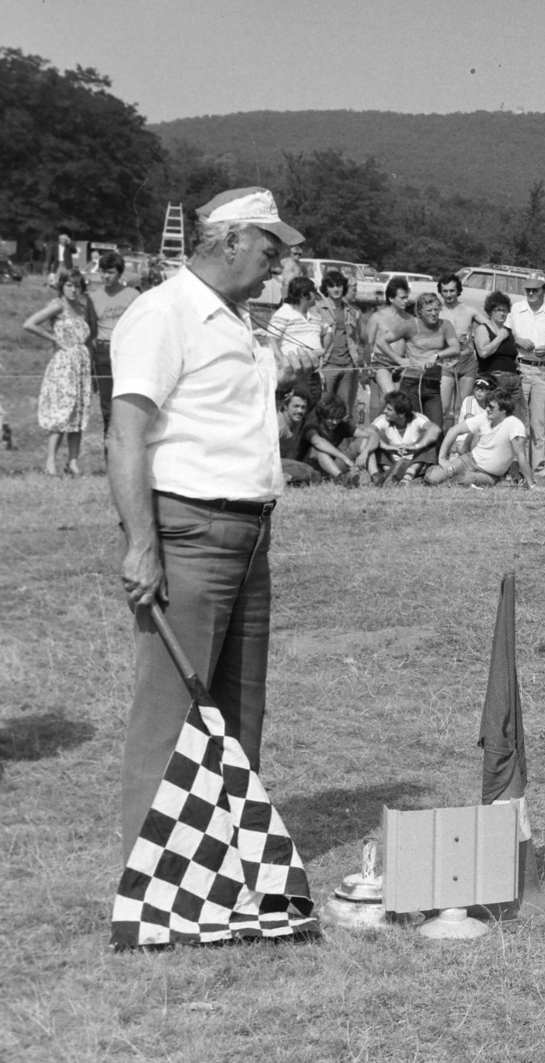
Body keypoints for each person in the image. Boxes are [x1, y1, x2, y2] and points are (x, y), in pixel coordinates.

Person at [106, 185, 313, 865]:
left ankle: (223, 864)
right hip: (190, 531)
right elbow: (125, 433)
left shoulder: (237, 319)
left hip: (250, 535)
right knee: (171, 714)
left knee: (238, 712)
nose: (277, 263)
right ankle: (154, 882)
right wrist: (142, 544)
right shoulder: (163, 313)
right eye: (269, 247)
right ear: (229, 240)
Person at [23, 268, 99, 476]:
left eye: (78, 286)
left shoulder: (83, 308)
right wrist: (54, 339)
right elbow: (29, 324)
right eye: (70, 285)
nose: (74, 290)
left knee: (78, 415)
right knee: (61, 414)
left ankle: (73, 462)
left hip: (81, 365)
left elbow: (90, 337)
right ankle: (50, 463)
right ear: (62, 286)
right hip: (63, 365)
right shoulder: (58, 306)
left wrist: (90, 366)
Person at [507, 277, 545, 480]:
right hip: (520, 368)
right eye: (528, 291)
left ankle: (538, 467)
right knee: (517, 420)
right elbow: (503, 335)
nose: (531, 294)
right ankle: (514, 466)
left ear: (544, 291)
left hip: (542, 371)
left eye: (535, 290)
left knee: (538, 421)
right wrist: (517, 341)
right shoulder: (516, 309)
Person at [378, 290, 457, 442]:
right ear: (420, 312)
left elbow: (455, 348)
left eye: (436, 310)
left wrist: (436, 356)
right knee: (414, 428)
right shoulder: (410, 325)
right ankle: (411, 462)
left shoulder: (445, 325)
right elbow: (381, 341)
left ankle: (433, 464)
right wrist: (399, 360)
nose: (434, 313)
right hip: (411, 384)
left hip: (433, 385)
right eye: (429, 310)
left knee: (437, 430)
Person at [426, 391, 536, 487]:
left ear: (503, 410)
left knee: (465, 479)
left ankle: (449, 482)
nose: (487, 409)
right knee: (433, 477)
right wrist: (442, 459)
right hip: (469, 460)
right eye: (487, 406)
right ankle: (431, 477)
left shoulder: (514, 425)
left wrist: (531, 485)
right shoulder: (483, 418)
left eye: (491, 407)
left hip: (489, 475)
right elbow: (453, 431)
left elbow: (521, 456)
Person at [88, 252, 140, 440]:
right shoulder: (93, 297)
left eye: (110, 272)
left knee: (128, 403)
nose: (106, 277)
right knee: (107, 406)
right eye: (103, 272)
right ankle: (110, 455)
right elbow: (91, 332)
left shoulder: (133, 295)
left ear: (120, 273)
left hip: (127, 352)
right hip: (103, 352)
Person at [353, 388, 440, 484]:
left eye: (389, 409)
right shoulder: (383, 419)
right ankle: (388, 474)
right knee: (375, 436)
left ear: (401, 414)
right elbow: (368, 431)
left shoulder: (417, 418)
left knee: (430, 440)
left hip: (413, 461)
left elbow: (435, 430)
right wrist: (387, 447)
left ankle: (409, 475)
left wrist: (415, 447)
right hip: (391, 462)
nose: (384, 411)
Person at [437, 273, 489, 432]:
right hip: (446, 363)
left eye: (452, 291)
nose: (448, 295)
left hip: (467, 362)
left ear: (458, 290)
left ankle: (457, 445)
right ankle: (441, 445)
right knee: (444, 408)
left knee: (462, 408)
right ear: (441, 292)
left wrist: (473, 335)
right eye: (445, 291)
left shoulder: (469, 310)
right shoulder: (437, 312)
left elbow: (489, 325)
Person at [267, 276, 328, 403]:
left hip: (314, 374)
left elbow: (328, 332)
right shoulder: (283, 313)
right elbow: (272, 339)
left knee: (313, 412)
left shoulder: (315, 316)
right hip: (295, 375)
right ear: (304, 294)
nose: (315, 296)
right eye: (313, 292)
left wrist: (324, 350)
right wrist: (282, 359)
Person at [277, 386, 354, 483]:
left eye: (303, 407)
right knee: (310, 472)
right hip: (269, 465)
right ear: (285, 406)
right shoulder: (278, 425)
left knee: (314, 474)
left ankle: (288, 478)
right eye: (296, 406)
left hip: (284, 463)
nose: (300, 411)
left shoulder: (297, 421)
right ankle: (281, 479)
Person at [315, 269, 362, 419]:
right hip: (327, 364)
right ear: (326, 288)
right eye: (332, 286)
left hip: (348, 365)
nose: (336, 289)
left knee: (344, 410)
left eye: (339, 285)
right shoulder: (317, 308)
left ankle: (342, 442)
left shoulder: (352, 311)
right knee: (324, 407)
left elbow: (355, 338)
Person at [363, 277, 413, 417]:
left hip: (402, 365)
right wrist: (366, 369)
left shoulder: (410, 318)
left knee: (394, 402)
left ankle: (384, 430)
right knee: (391, 395)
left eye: (406, 297)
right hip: (381, 362)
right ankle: (374, 428)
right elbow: (369, 344)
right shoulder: (377, 317)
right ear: (391, 298)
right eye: (402, 298)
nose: (406, 301)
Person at [474, 292, 520, 407]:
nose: (502, 313)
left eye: (504, 310)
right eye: (498, 310)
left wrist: (519, 368)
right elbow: (483, 352)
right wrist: (499, 337)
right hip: (494, 379)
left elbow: (512, 354)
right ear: (490, 311)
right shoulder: (483, 329)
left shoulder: (509, 331)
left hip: (514, 380)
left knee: (518, 418)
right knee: (497, 413)